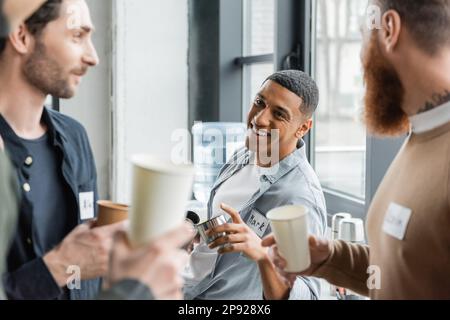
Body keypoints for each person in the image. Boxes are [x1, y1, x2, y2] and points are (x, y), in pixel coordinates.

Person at [263, 0, 450, 300]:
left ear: (389, 29)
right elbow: (410, 269)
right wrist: (328, 258)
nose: (362, 61)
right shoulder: (421, 135)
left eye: (364, 37)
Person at [183, 70, 327, 300]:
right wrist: (196, 236)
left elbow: (308, 295)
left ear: (303, 128)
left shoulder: (298, 198)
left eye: (279, 114)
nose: (259, 119)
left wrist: (262, 254)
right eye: (260, 102)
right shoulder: (244, 156)